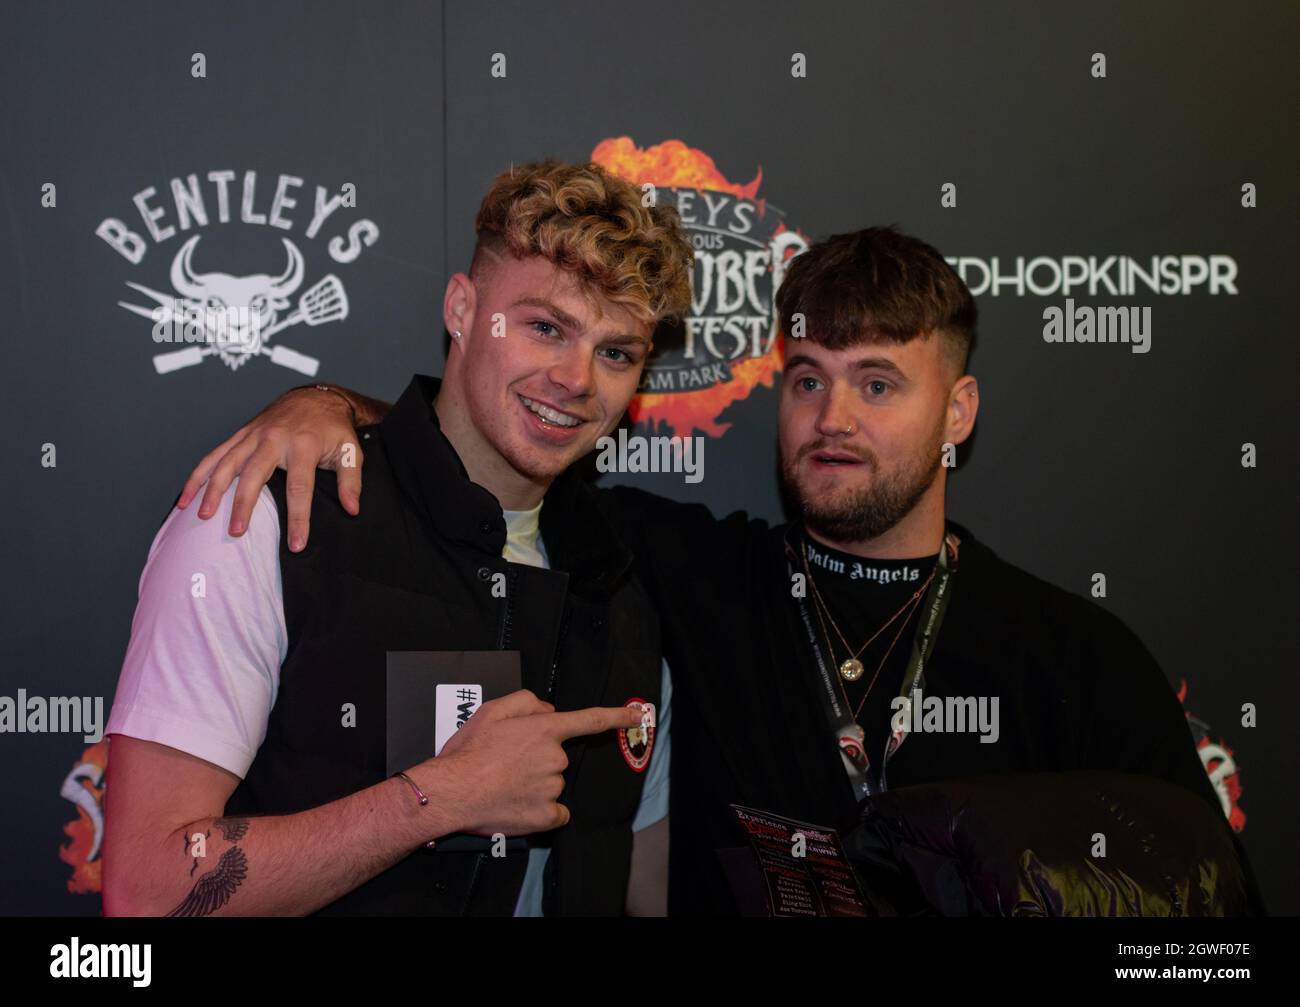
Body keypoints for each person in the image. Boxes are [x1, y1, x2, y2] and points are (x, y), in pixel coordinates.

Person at [183, 226, 1260, 915]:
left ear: (957, 413)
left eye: (877, 383)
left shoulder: (1076, 657)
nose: (831, 418)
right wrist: (326, 404)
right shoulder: (685, 571)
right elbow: (499, 429)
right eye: (806, 379)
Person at [102, 159, 695, 916]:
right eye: (546, 327)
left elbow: (641, 888)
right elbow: (148, 890)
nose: (577, 379)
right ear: (460, 308)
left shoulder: (621, 594)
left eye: (616, 352)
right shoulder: (270, 516)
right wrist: (438, 798)